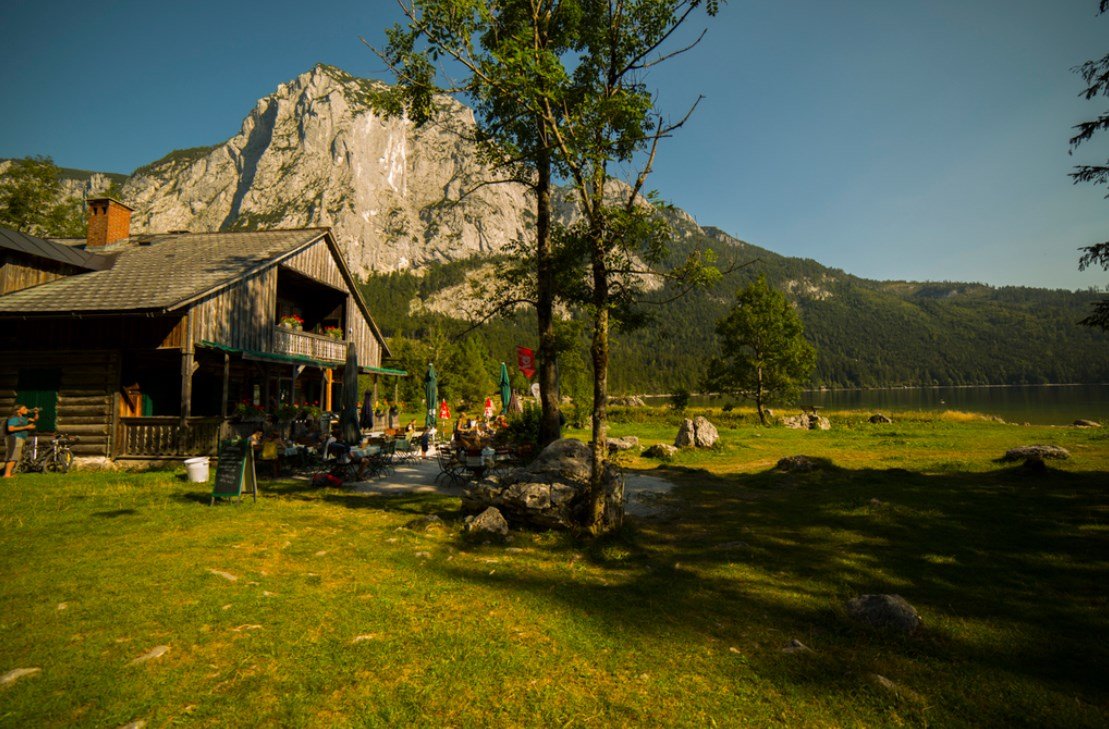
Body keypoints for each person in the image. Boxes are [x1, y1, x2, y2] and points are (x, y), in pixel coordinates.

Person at [4, 405, 39, 478]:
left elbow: (35, 419)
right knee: (13, 456)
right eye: (24, 408)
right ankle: (7, 474)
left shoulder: (24, 418)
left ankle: (10, 473)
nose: (26, 409)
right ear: (18, 410)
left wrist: (36, 413)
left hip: (21, 438)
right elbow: (10, 429)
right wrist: (26, 427)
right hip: (15, 438)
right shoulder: (14, 418)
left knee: (16, 456)